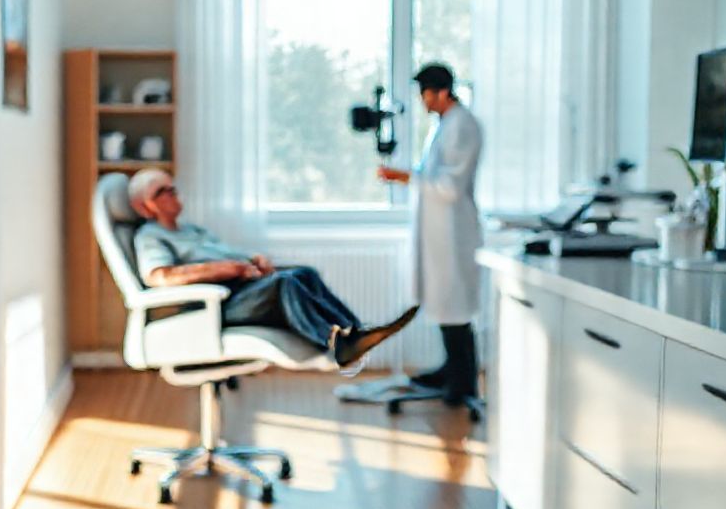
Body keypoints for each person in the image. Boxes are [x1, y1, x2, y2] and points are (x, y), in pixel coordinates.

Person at [127, 169, 419, 368]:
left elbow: (231, 256)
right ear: (144, 206)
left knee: (302, 273)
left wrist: (253, 260)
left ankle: (355, 334)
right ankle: (337, 344)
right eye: (161, 192)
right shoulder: (150, 236)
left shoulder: (191, 230)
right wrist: (226, 269)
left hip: (241, 292)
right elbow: (159, 276)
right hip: (212, 307)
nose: (172, 193)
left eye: (171, 187)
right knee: (286, 284)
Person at [378, 63, 483, 405]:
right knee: (444, 304)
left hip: (454, 234)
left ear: (440, 92)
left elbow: (450, 186)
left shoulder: (463, 126)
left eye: (424, 94)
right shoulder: (444, 125)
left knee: (455, 308)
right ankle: (451, 370)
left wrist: (405, 178)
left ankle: (462, 382)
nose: (422, 102)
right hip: (440, 234)